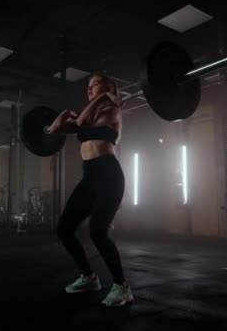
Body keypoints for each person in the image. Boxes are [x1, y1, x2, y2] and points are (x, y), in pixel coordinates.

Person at [47, 72, 133, 307]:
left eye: (96, 85)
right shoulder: (94, 112)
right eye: (89, 85)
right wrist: (63, 116)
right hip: (90, 177)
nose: (90, 88)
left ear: (109, 88)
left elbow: (82, 127)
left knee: (97, 230)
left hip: (109, 175)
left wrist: (103, 98)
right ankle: (89, 278)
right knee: (64, 228)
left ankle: (122, 287)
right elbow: (55, 130)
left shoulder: (112, 112)